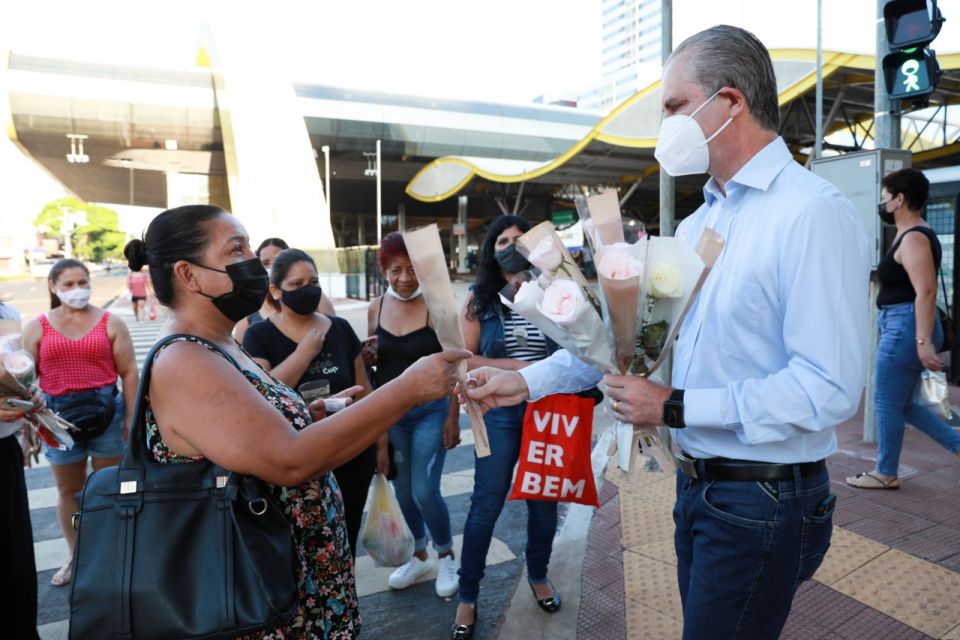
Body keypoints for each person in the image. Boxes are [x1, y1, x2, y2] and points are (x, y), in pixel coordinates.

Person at [461, 25, 871, 640]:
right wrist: (524, 384)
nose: (666, 126)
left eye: (675, 107)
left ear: (730, 102)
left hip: (763, 499)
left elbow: (829, 389)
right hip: (702, 489)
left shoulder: (810, 214)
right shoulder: (703, 219)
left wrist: (675, 407)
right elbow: (640, 349)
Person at [126, 205, 467, 638]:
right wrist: (406, 388)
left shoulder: (220, 342)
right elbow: (288, 461)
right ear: (188, 275)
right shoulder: (186, 358)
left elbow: (252, 432)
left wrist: (310, 413)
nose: (254, 261)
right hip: (264, 593)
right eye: (237, 249)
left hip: (292, 577)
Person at [451, 215, 562, 639]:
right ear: (490, 250)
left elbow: (575, 347)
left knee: (543, 500)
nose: (512, 244)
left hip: (548, 409)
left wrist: (535, 377)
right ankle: (468, 595)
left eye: (520, 239)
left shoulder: (553, 289)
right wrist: (521, 369)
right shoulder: (478, 299)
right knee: (486, 502)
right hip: (497, 408)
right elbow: (466, 358)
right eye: (503, 239)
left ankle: (538, 574)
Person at [243, 247, 388, 554]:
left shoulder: (341, 328)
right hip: (295, 459)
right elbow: (264, 394)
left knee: (345, 537)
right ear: (276, 290)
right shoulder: (258, 336)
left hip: (349, 452)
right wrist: (305, 352)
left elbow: (364, 388)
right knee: (300, 547)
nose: (307, 290)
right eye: (297, 284)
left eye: (314, 281)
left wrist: (381, 443)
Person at [22, 259, 139, 587]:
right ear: (53, 287)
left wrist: (130, 415)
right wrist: (29, 428)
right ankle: (77, 555)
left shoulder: (110, 322)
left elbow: (129, 371)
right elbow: (25, 381)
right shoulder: (38, 327)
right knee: (68, 491)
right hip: (56, 420)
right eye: (69, 284)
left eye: (82, 282)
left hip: (106, 414)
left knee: (105, 488)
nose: (77, 290)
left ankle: (111, 555)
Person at [847, 169, 960, 490]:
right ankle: (956, 445)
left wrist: (923, 341)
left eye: (884, 197)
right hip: (903, 324)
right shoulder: (911, 233)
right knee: (904, 404)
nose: (881, 203)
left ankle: (885, 472)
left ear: (899, 199)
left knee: (884, 401)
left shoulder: (913, 238)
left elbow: (925, 291)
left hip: (906, 326)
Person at [366, 231, 460, 598]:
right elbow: (374, 372)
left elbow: (457, 366)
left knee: (424, 488)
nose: (404, 278)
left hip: (432, 412)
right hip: (393, 415)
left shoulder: (437, 306)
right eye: (395, 270)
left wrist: (453, 417)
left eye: (412, 269)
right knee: (403, 491)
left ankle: (447, 555)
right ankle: (420, 555)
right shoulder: (376, 308)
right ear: (384, 271)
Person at [0, 295, 42, 639]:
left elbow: (21, 370)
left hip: (3, 450)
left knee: (14, 565)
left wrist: (32, 395)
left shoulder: (7, 314)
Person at [233, 238, 336, 343]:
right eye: (266, 263)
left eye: (278, 261)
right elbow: (241, 353)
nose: (272, 267)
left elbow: (334, 336)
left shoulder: (315, 296)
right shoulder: (250, 310)